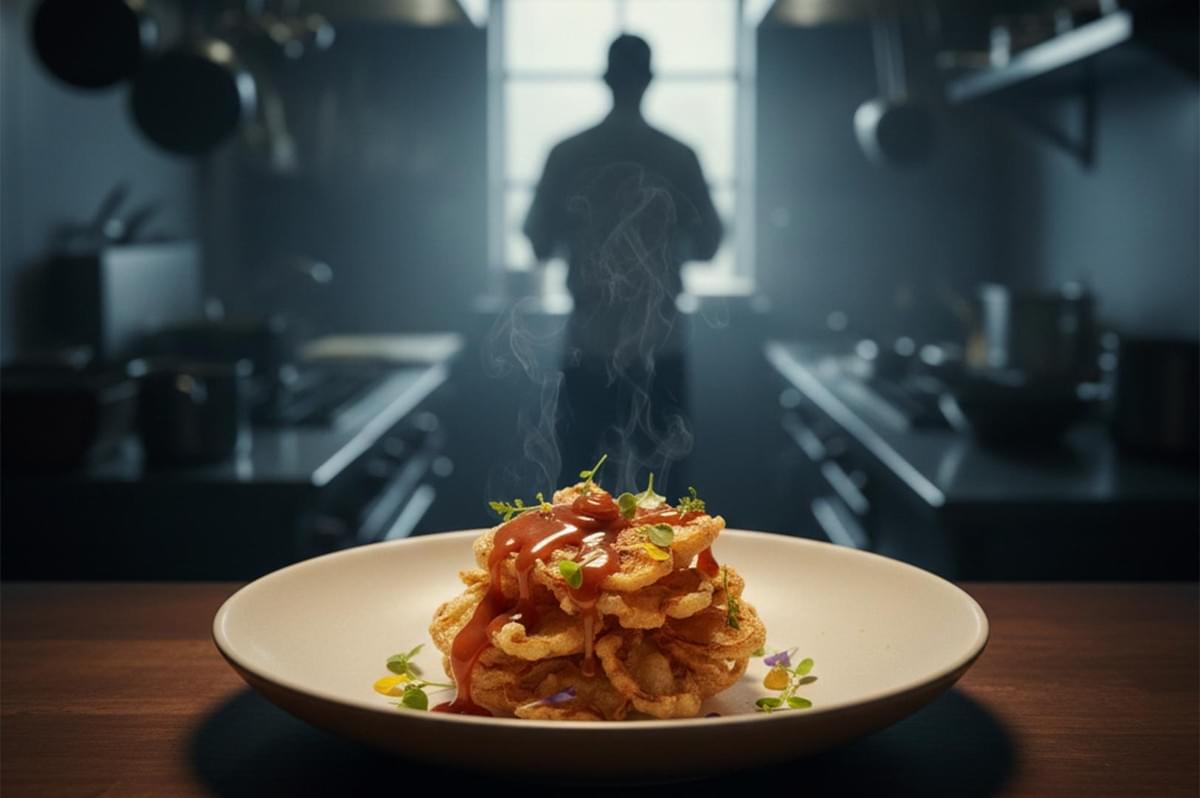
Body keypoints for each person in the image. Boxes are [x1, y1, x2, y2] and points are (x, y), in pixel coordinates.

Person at [523, 34, 722, 491]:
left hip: (587, 347)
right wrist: (665, 251)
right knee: (667, 500)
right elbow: (710, 244)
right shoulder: (678, 156)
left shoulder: (567, 154)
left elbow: (537, 243)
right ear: (650, 79)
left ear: (605, 77)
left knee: (576, 497)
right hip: (662, 348)